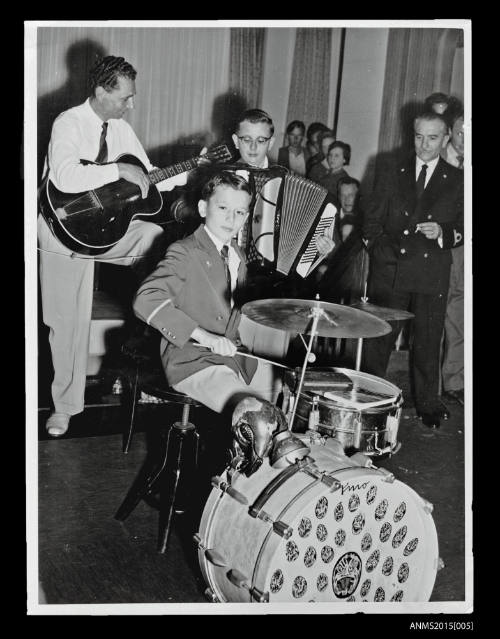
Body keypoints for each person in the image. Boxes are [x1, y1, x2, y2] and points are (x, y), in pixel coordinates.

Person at [38, 55, 186, 437]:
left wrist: (193, 168)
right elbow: (66, 175)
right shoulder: (68, 122)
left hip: (107, 233)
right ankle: (64, 408)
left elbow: (148, 176)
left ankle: (155, 329)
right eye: (125, 98)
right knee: (66, 323)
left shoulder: (119, 127)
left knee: (163, 245)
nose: (130, 105)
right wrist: (118, 169)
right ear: (102, 92)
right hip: (63, 233)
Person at [133, 171, 279, 414]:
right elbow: (145, 300)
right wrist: (205, 337)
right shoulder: (184, 251)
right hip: (191, 359)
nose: (231, 218)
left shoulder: (237, 256)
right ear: (203, 208)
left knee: (284, 400)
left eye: (240, 212)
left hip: (233, 357)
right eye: (222, 208)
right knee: (254, 415)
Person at [361, 111, 464, 429]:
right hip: (390, 268)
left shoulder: (458, 178)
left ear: (446, 138)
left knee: (428, 340)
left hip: (430, 270)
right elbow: (372, 218)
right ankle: (367, 398)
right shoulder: (392, 169)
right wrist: (377, 249)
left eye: (433, 138)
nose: (425, 144)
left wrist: (444, 233)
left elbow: (465, 224)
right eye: (419, 136)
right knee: (379, 340)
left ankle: (428, 403)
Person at [441, 110, 465, 406]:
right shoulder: (437, 161)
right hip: (434, 248)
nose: (464, 140)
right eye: (460, 133)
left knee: (457, 314)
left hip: (460, 249)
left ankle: (454, 380)